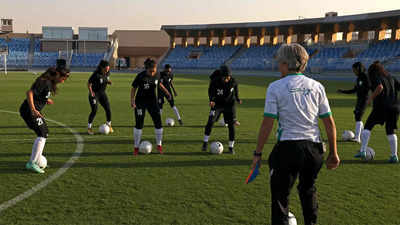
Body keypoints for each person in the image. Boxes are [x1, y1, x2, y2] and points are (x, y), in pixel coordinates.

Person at [251, 44, 340, 225]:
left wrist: (258, 153)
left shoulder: (275, 87)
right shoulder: (317, 86)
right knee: (308, 190)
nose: (277, 66)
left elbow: (267, 123)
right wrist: (333, 153)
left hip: (287, 148)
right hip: (313, 149)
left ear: (285, 63)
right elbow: (329, 123)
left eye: (279, 63)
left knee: (280, 197)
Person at [19, 59, 70, 173]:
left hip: (32, 110)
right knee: (43, 133)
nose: (62, 81)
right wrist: (33, 109)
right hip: (29, 110)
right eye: (63, 79)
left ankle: (35, 161)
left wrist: (46, 100)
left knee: (44, 132)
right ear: (57, 74)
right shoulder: (44, 81)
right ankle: (32, 163)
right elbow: (30, 93)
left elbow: (40, 94)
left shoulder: (49, 81)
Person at [357, 61, 399, 163]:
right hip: (395, 107)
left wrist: (370, 99)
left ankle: (362, 151)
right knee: (390, 131)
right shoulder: (391, 77)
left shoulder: (376, 76)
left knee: (367, 127)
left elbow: (380, 87)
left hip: (381, 106)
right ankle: (394, 156)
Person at [131, 58, 172, 155]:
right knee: (139, 124)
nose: (153, 73)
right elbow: (133, 88)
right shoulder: (140, 76)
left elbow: (159, 83)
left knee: (158, 123)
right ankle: (136, 147)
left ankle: (159, 146)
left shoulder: (157, 74)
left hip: (153, 102)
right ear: (146, 69)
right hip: (140, 102)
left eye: (154, 70)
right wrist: (132, 101)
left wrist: (167, 92)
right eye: (151, 71)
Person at [202, 65, 242, 154]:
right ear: (221, 76)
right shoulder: (215, 81)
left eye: (229, 77)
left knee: (231, 125)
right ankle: (205, 143)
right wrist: (211, 100)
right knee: (210, 122)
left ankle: (231, 147)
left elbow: (236, 89)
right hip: (217, 104)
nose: (227, 79)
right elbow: (210, 91)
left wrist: (238, 98)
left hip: (229, 105)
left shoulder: (233, 81)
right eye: (226, 77)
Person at [337, 62, 370, 142]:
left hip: (364, 99)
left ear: (359, 69)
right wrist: (343, 91)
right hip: (360, 99)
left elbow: (368, 87)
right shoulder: (359, 78)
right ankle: (360, 136)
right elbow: (355, 89)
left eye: (354, 70)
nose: (353, 71)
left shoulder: (365, 76)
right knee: (357, 116)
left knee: (358, 117)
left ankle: (357, 138)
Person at [87, 60, 113, 135]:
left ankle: (109, 125)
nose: (107, 70)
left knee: (108, 109)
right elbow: (89, 83)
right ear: (101, 67)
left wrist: (108, 82)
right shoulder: (96, 74)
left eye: (108, 69)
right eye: (106, 69)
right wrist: (91, 92)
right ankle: (89, 128)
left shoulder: (108, 73)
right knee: (94, 110)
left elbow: (105, 79)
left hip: (102, 94)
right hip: (94, 94)